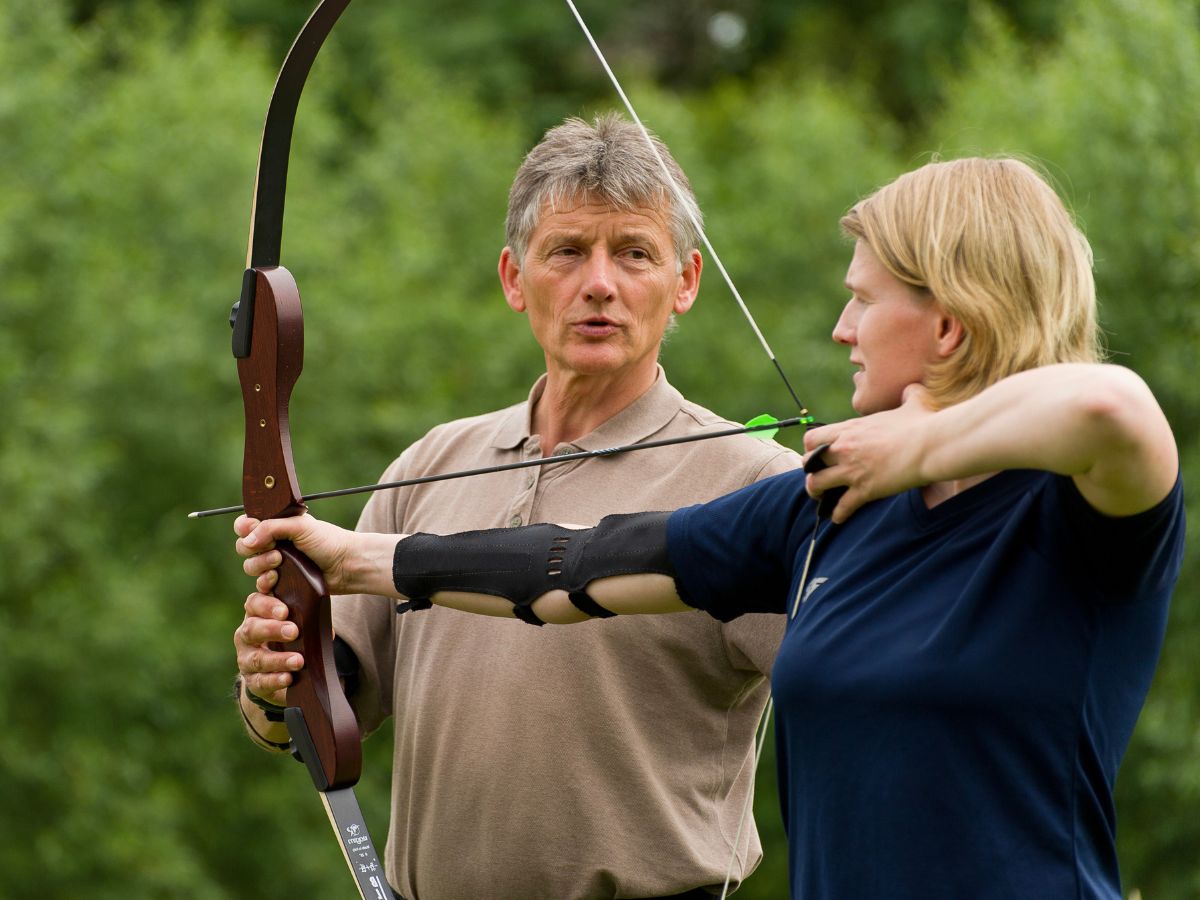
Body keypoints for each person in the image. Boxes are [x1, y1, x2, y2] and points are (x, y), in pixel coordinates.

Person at [236, 156, 1186, 899]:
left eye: (862, 299)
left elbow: (1112, 406)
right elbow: (574, 568)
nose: (839, 330)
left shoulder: (1081, 522)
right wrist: (360, 557)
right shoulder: (825, 509)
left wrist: (918, 443)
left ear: (948, 326)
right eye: (566, 254)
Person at [232, 112, 800, 900]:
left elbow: (860, 682)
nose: (599, 282)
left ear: (686, 283)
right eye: (566, 251)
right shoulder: (433, 463)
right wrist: (271, 683)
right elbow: (331, 702)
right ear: (512, 277)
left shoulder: (753, 481)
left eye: (634, 252)